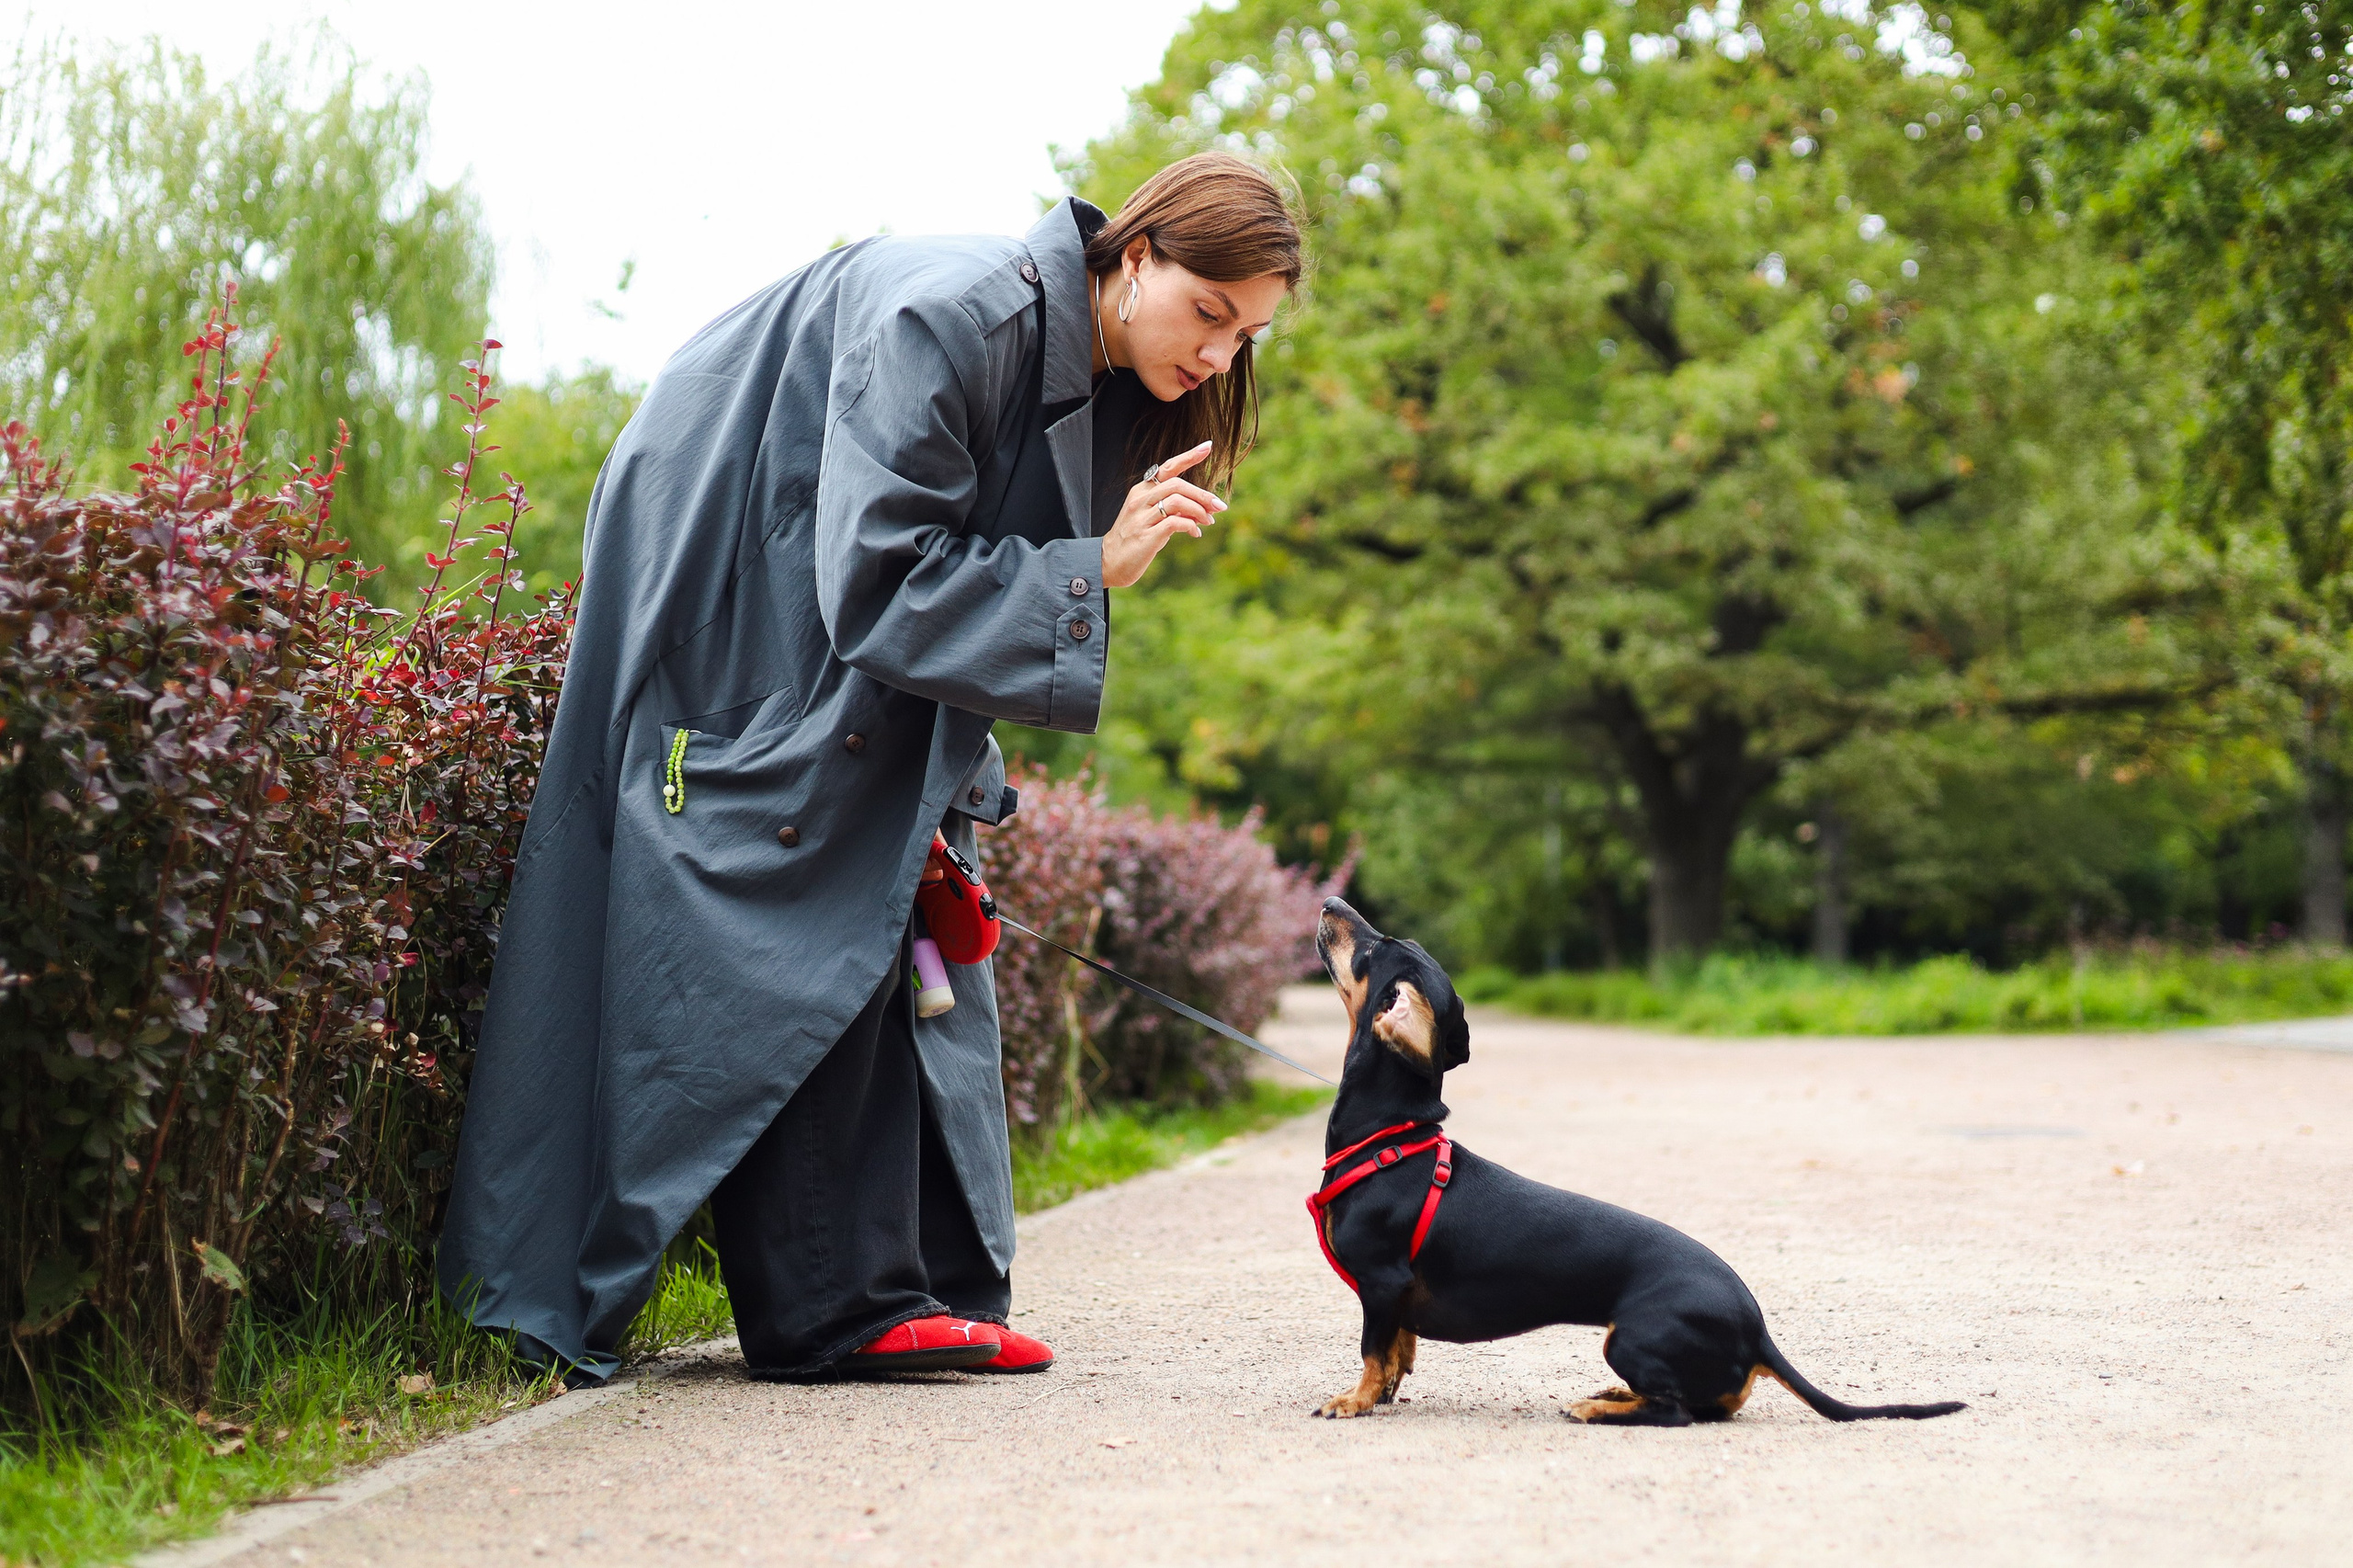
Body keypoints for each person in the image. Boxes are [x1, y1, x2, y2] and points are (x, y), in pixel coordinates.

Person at [437, 153, 1304, 1382]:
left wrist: (964, 766)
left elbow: (943, 569)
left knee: (903, 859)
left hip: (824, 569)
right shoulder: (957, 312)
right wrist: (1087, 573)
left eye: (1247, 336)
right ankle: (818, 1304)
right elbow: (883, 578)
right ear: (1138, 252)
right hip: (724, 541)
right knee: (803, 855)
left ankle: (888, 1287)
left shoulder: (1095, 366)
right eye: (1209, 313)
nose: (1218, 357)